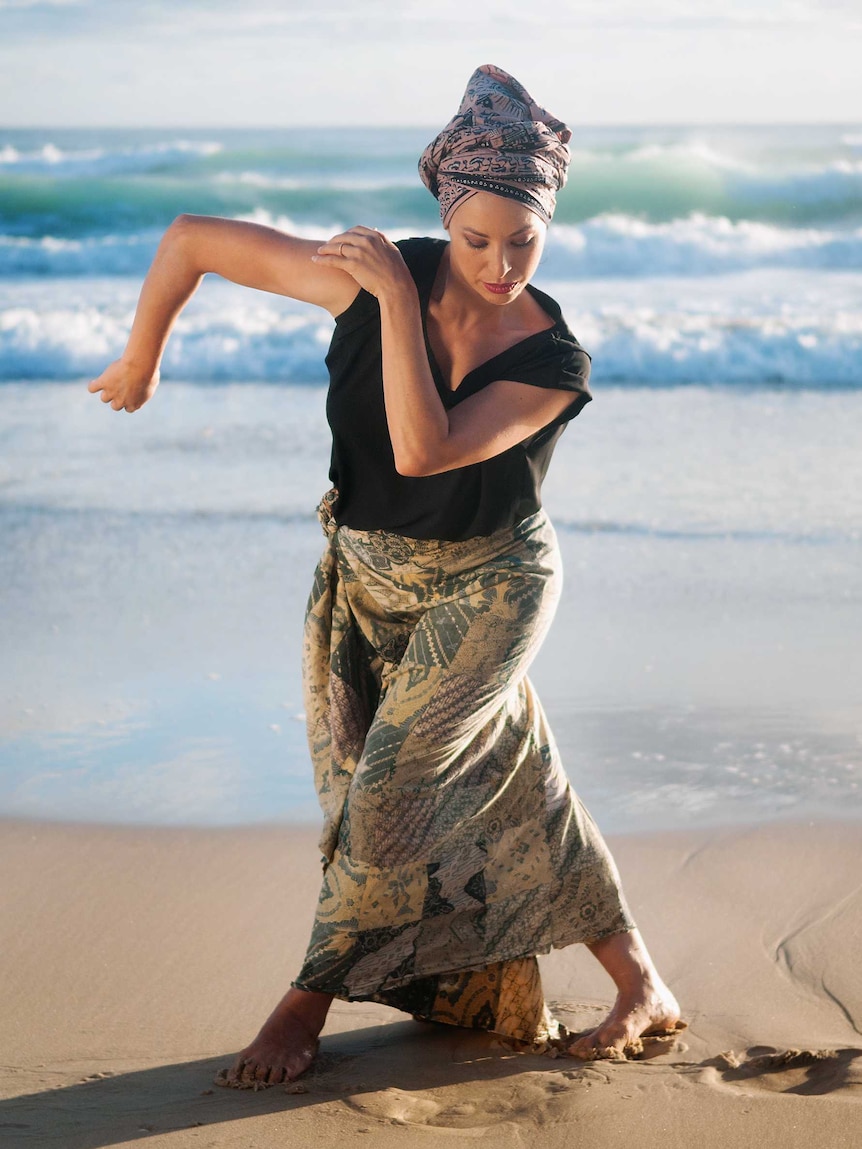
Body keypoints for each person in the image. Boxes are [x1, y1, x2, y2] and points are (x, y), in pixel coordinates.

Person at [89, 65, 682, 1087]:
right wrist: (143, 358)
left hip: (491, 588)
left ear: (548, 223)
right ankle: (642, 984)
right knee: (517, 786)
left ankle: (303, 1001)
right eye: (477, 239)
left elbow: (422, 448)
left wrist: (399, 299)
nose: (501, 265)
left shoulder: (554, 361)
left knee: (391, 795)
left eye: (524, 240)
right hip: (366, 581)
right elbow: (190, 237)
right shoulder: (364, 276)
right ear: (445, 216)